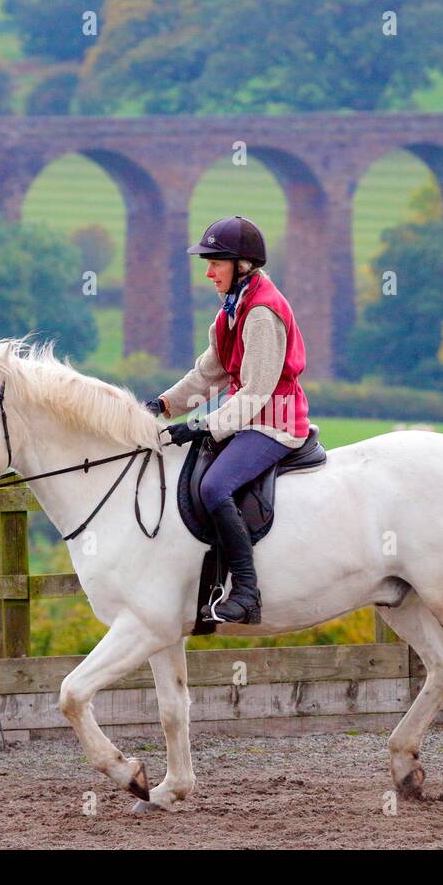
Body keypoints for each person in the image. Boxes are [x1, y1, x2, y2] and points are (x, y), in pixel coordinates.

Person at [144, 216, 311, 625]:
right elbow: (207, 375)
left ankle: (247, 591)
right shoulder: (231, 311)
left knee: (215, 485)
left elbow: (255, 393)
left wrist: (200, 426)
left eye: (215, 263)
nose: (207, 272)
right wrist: (162, 406)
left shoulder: (261, 313)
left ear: (242, 264)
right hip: (246, 419)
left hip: (274, 423)